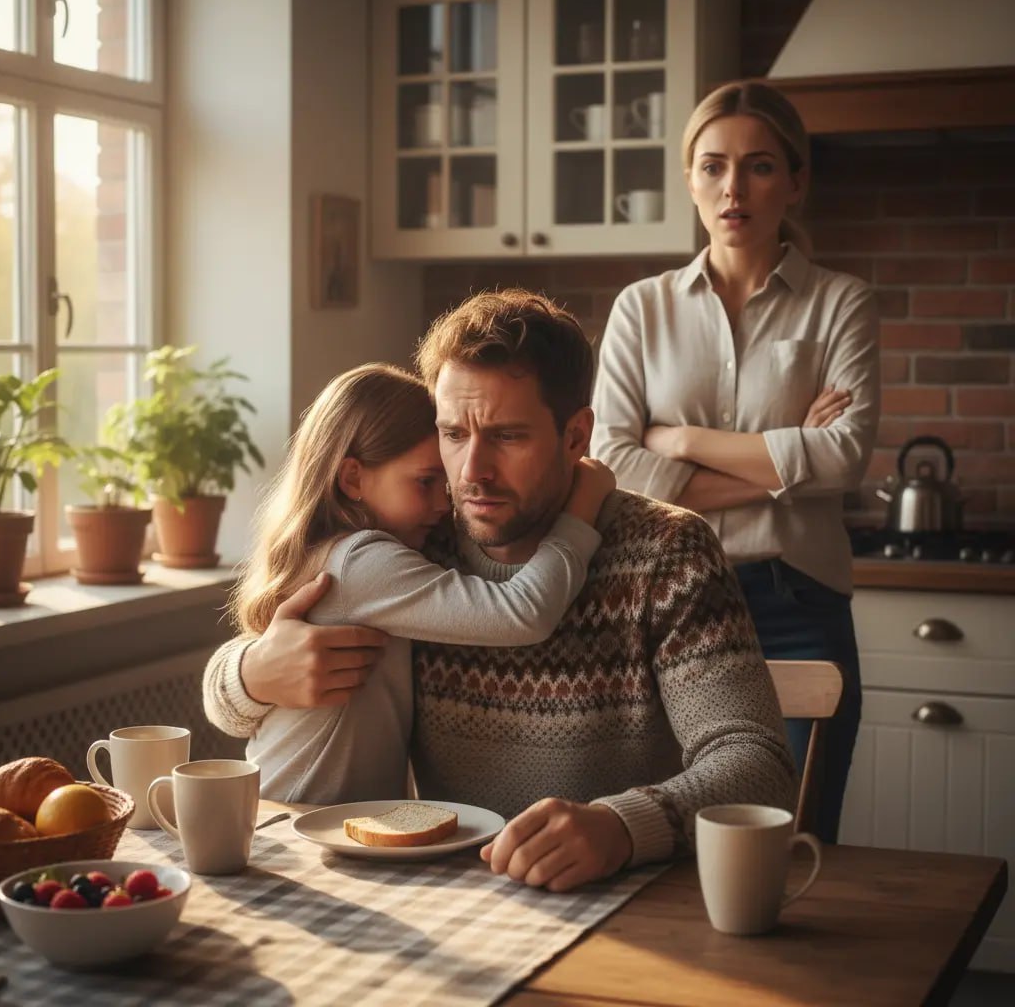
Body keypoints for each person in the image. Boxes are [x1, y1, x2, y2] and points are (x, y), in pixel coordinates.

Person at [204, 290, 796, 893]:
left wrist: (621, 827)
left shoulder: (668, 552)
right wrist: (250, 673)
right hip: (446, 894)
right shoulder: (420, 539)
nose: (472, 473)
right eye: (452, 434)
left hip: (618, 899)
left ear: (576, 436)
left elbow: (758, 766)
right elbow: (251, 671)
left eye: (507, 436)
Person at [590, 80, 880, 844]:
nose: (734, 188)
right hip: (662, 604)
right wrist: (782, 466)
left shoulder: (842, 304)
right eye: (714, 166)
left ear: (795, 181)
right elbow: (612, 465)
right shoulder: (641, 309)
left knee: (793, 840)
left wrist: (680, 440)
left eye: (759, 166)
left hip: (797, 604)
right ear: (690, 179)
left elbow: (844, 457)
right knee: (663, 833)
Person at [224, 362, 614, 804]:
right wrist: (581, 510)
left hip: (317, 816)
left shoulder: (334, 551)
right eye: (425, 482)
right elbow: (523, 613)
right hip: (297, 816)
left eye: (443, 485)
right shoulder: (360, 560)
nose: (443, 504)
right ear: (353, 478)